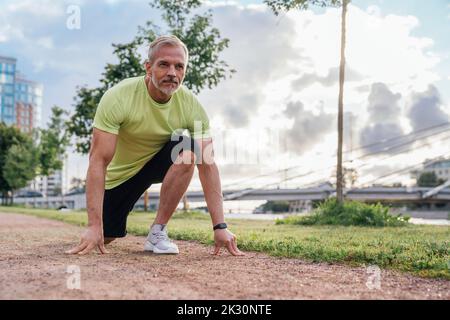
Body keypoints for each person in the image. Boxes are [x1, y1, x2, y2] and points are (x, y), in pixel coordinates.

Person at [66, 35, 244, 256]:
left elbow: (208, 164)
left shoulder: (191, 106)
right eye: (164, 64)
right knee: (106, 237)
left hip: (157, 163)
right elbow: (98, 160)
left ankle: (157, 232)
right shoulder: (118, 97)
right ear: (148, 68)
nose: (172, 72)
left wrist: (220, 226)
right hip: (119, 178)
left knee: (189, 150)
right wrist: (94, 225)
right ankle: (97, 229)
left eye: (179, 66)